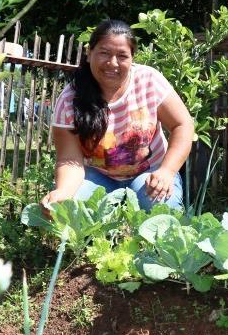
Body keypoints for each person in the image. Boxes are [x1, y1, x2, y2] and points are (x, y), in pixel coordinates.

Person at [41, 19, 194, 211]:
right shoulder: (71, 99)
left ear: (132, 58)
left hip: (149, 172)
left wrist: (167, 171)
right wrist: (63, 192)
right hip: (97, 176)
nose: (112, 63)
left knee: (161, 209)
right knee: (71, 207)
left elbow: (183, 125)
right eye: (104, 53)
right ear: (89, 54)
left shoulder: (148, 81)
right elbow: (69, 161)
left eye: (122, 56)